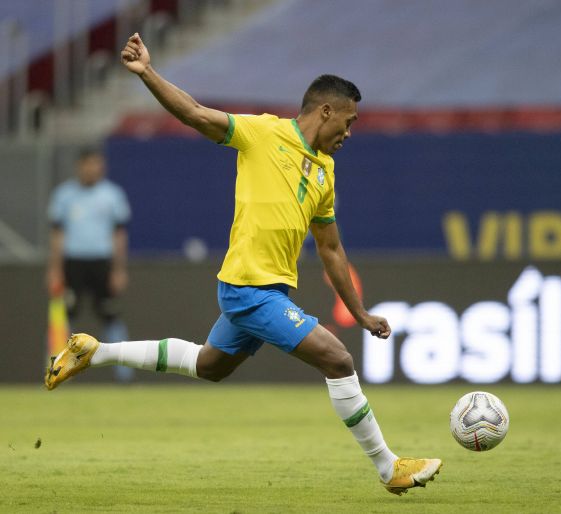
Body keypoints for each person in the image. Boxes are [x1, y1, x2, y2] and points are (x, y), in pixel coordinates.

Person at [45, 33, 441, 495]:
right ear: (325, 111)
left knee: (210, 365)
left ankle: (94, 351)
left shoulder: (325, 172)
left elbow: (331, 249)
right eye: (348, 122)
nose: (349, 134)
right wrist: (147, 73)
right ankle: (388, 466)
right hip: (248, 289)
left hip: (271, 291)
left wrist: (359, 312)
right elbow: (194, 114)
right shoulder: (262, 132)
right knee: (338, 359)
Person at [47, 147, 134, 382]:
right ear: (80, 166)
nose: (93, 169)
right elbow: (57, 235)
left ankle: (124, 375)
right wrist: (55, 270)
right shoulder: (64, 195)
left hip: (102, 264)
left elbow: (119, 235)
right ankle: (56, 373)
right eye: (89, 164)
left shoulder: (112, 195)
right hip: (72, 264)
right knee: (64, 317)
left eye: (97, 164)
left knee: (111, 316)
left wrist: (118, 270)